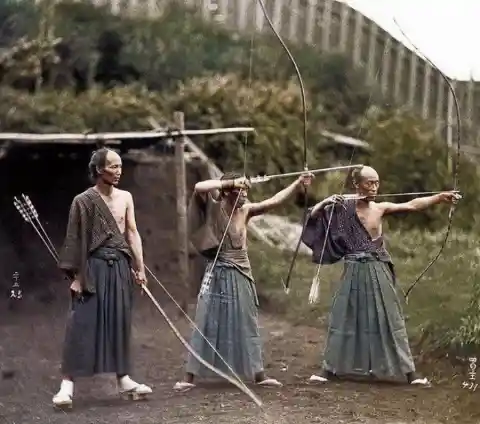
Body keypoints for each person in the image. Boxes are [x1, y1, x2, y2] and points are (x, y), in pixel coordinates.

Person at [301, 165, 461, 387]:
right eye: (369, 183)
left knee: (390, 317)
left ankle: (410, 373)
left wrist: (440, 197)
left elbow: (413, 205)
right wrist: (326, 201)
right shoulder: (342, 207)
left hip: (377, 268)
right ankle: (329, 370)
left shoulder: (380, 208)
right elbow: (313, 216)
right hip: (354, 268)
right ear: (357, 185)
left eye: (377, 183)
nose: (374, 187)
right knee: (343, 316)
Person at [173, 171, 313, 392]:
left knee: (247, 321)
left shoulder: (245, 211)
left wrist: (297, 183)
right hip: (218, 272)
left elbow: (273, 201)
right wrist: (228, 182)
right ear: (228, 191)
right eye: (241, 189)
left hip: (241, 273)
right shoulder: (213, 208)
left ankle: (259, 375)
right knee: (207, 319)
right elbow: (200, 186)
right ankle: (189, 377)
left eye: (246, 189)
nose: (245, 193)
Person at [53, 148, 152, 408]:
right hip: (92, 268)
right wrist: (76, 276)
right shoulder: (83, 201)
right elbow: (73, 240)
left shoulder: (126, 197)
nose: (119, 171)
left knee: (119, 320)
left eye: (120, 166)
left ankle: (124, 379)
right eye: (113, 166)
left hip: (119, 266)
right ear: (99, 169)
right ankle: (66, 387)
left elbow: (132, 233)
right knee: (80, 324)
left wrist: (140, 268)